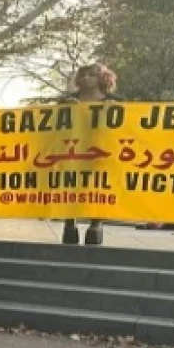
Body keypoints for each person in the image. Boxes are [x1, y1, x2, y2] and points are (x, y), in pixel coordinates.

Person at [60, 64, 122, 246]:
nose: (87, 78)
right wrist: (66, 109)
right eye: (84, 75)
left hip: (100, 151)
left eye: (92, 75)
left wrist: (116, 110)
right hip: (73, 150)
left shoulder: (115, 100)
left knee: (99, 187)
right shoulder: (67, 100)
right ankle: (69, 223)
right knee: (71, 186)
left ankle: (96, 225)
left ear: (103, 78)